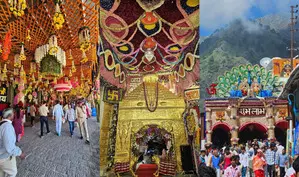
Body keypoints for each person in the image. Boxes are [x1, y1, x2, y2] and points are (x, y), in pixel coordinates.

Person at [0, 108, 26, 177]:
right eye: (13, 114)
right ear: (10, 116)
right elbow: (10, 147)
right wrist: (20, 153)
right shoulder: (7, 127)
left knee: (2, 173)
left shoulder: (2, 124)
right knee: (12, 173)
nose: (14, 115)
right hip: (4, 157)